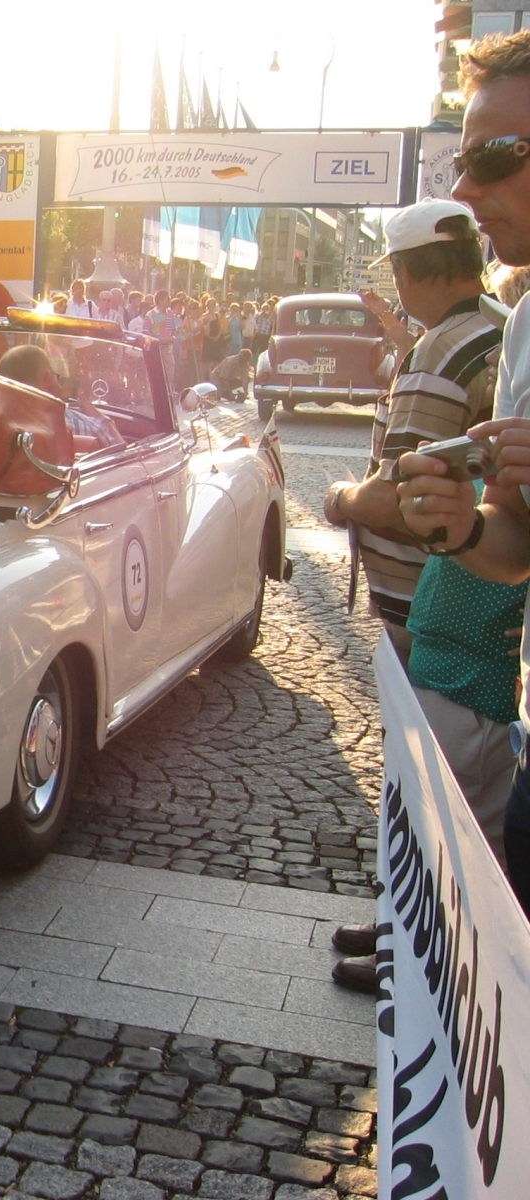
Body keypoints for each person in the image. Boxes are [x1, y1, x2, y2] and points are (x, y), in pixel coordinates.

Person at [398, 31, 530, 917]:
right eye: (461, 157)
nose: (464, 187)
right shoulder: (522, 326)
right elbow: (519, 547)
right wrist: (468, 525)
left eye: (495, 155)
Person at [325, 200, 503, 659]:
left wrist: (340, 499)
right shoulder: (500, 326)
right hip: (486, 601)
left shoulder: (439, 352)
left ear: (403, 273)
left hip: (431, 613)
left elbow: (399, 500)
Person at [0, 343, 123, 453]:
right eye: (56, 376)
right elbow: (126, 463)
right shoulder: (87, 426)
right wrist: (101, 418)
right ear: (47, 379)